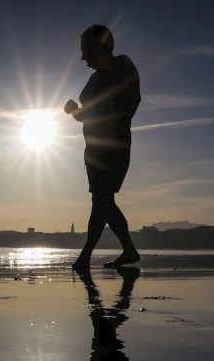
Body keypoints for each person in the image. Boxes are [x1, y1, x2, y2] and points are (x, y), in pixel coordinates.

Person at [65, 25, 141, 269]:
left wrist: (88, 111)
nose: (82, 57)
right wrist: (74, 111)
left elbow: (130, 101)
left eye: (84, 50)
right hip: (94, 150)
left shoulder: (122, 65)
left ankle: (85, 257)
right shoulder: (94, 79)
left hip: (114, 146)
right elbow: (86, 116)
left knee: (102, 201)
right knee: (102, 201)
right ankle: (128, 251)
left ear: (97, 47)